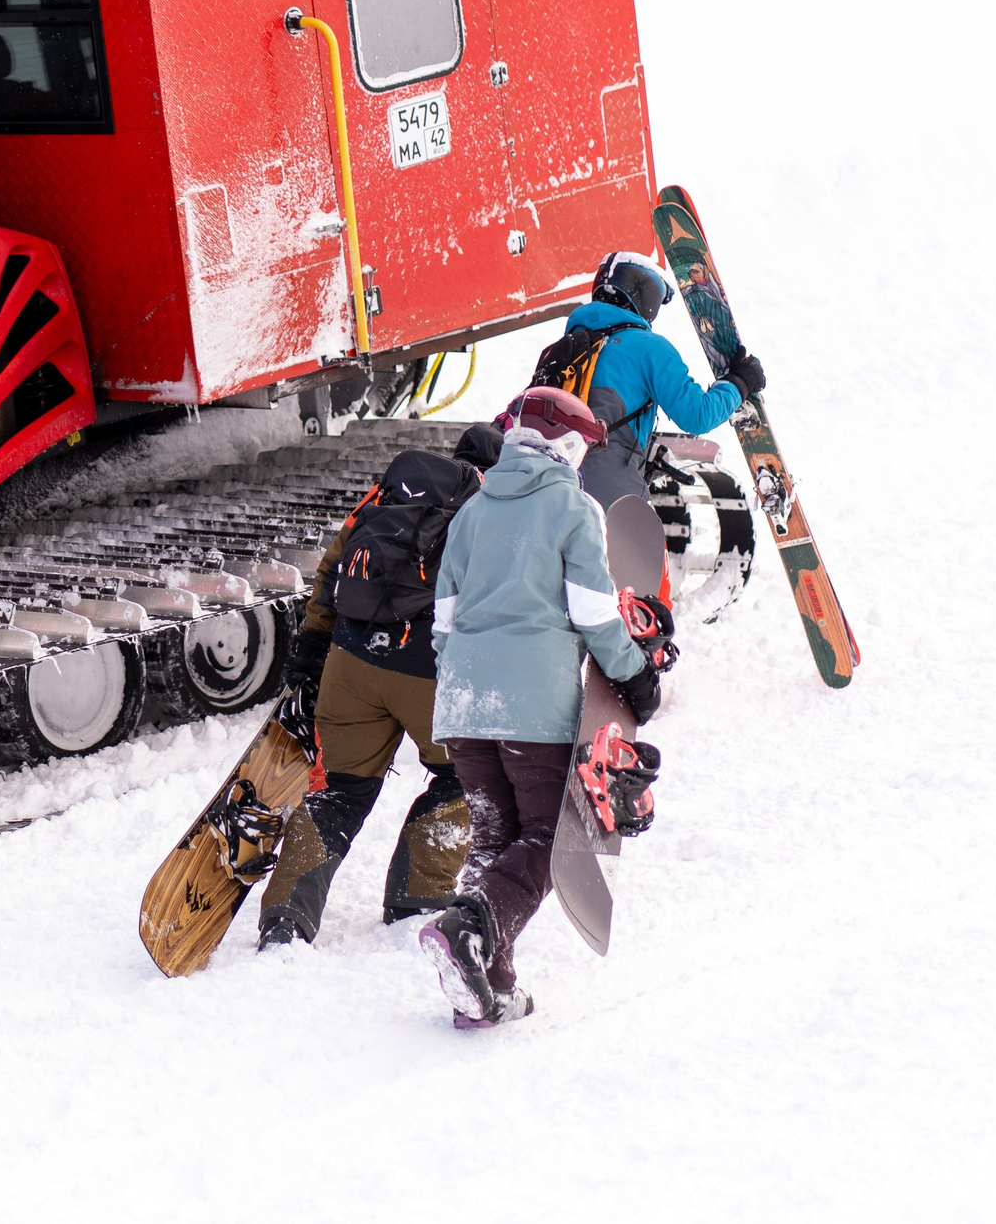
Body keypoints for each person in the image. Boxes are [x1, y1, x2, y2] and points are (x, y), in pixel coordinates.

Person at [419, 389, 660, 1028]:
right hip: (535, 707)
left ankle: (484, 985)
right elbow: (592, 611)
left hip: (465, 705)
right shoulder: (572, 508)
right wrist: (634, 675)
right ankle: (469, 929)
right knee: (549, 840)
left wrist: (467, 679)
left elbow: (441, 623)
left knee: (494, 841)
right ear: (566, 447)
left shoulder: (472, 511)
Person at [259, 423, 507, 948]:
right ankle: (418, 893)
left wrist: (311, 649)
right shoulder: (492, 509)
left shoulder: (396, 492)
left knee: (341, 792)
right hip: (429, 677)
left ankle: (286, 918)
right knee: (465, 777)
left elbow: (333, 569)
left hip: (350, 665)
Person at [557, 251, 763, 514]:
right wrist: (740, 383)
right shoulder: (648, 348)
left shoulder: (564, 347)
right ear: (644, 295)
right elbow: (697, 415)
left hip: (551, 488)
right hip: (609, 500)